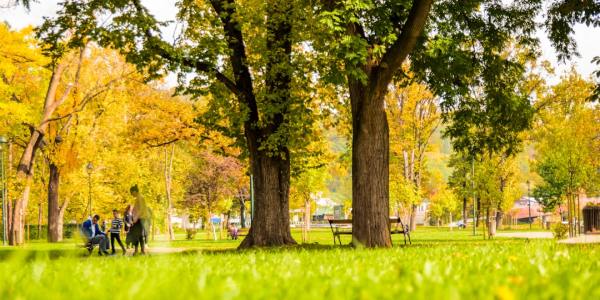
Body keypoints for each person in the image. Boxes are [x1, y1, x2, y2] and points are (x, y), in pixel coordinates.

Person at [127, 184, 150, 255]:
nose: (131, 194)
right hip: (140, 218)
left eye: (131, 193)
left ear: (134, 191)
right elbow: (137, 209)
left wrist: (136, 218)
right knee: (139, 235)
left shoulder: (140, 198)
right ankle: (141, 251)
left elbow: (141, 209)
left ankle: (138, 251)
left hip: (141, 218)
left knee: (136, 235)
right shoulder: (138, 198)